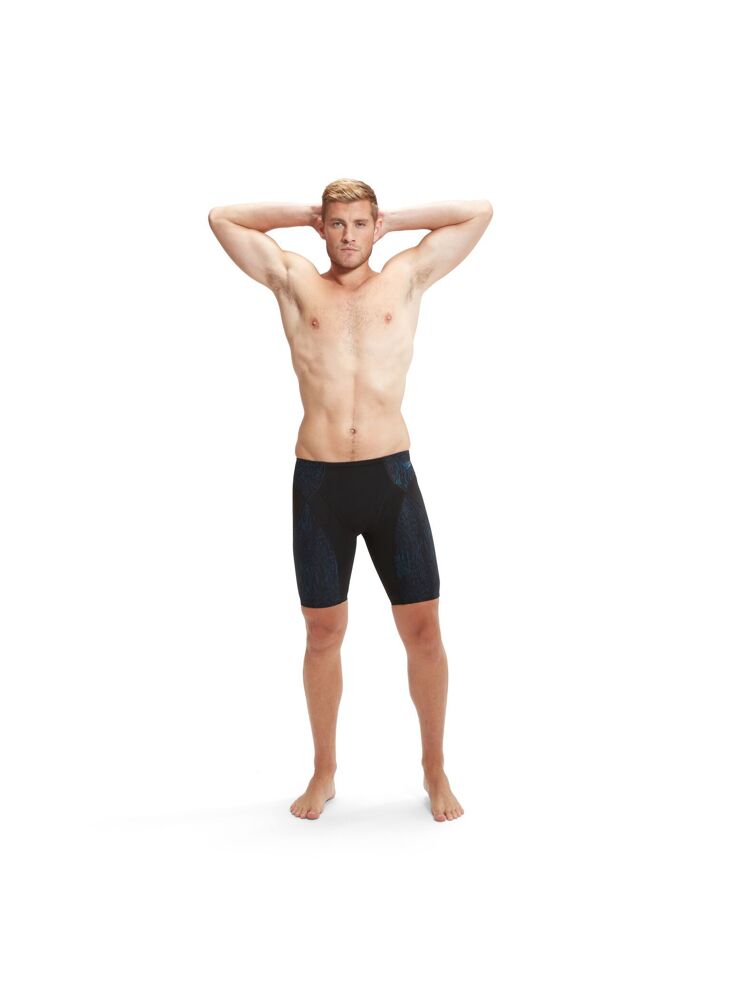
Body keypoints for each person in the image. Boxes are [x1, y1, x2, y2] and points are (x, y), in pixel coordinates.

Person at [208, 179, 493, 821]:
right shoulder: (296, 282)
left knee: (424, 631)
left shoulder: (405, 278)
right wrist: (305, 214)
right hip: (321, 485)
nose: (348, 236)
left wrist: (393, 221)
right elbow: (223, 218)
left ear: (374, 225)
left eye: (360, 223)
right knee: (322, 633)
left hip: (391, 480)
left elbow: (479, 212)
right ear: (323, 228)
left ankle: (435, 769)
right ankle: (324, 771)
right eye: (337, 224)